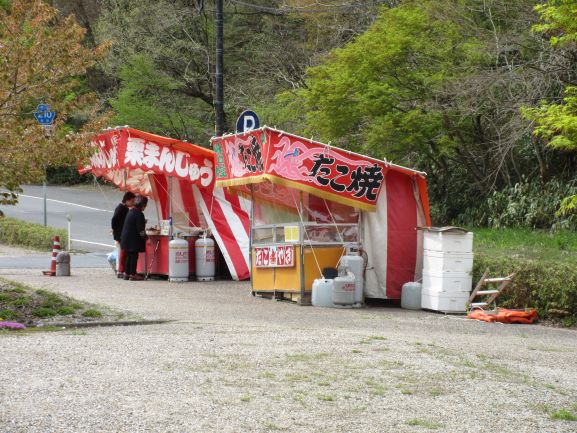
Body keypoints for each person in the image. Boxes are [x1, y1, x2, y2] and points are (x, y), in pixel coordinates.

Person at [120, 195, 148, 281]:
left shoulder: (131, 211)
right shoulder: (139, 214)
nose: (145, 207)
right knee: (134, 256)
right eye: (145, 205)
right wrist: (145, 238)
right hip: (133, 239)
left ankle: (126, 274)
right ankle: (133, 274)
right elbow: (141, 230)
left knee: (129, 256)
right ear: (142, 205)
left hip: (126, 238)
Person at [111, 192, 136, 278]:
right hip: (120, 234)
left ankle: (122, 270)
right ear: (127, 200)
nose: (133, 203)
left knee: (123, 252)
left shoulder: (125, 208)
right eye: (132, 201)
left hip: (122, 233)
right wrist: (116, 232)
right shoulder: (121, 208)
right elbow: (114, 220)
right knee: (122, 253)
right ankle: (120, 271)